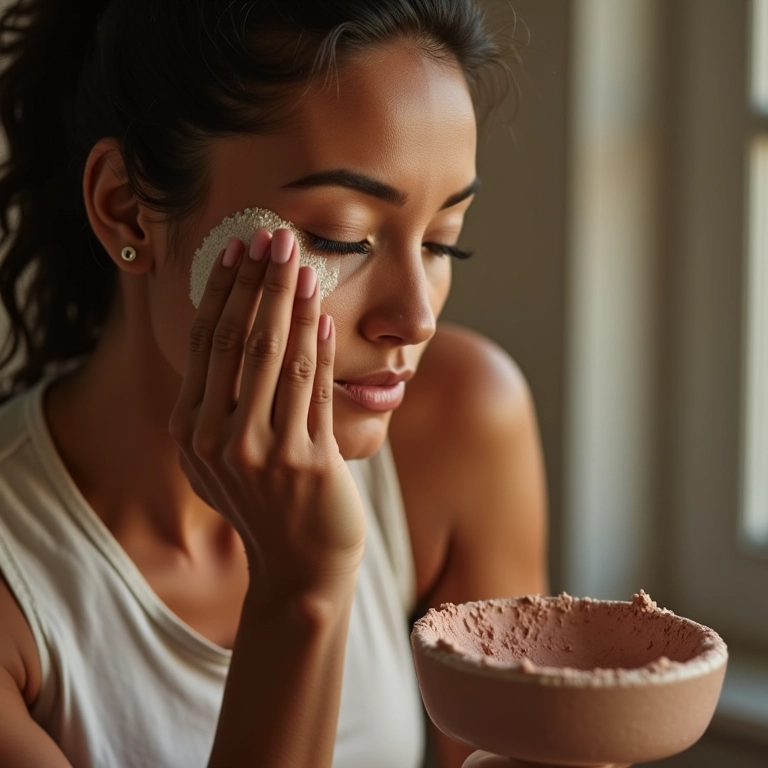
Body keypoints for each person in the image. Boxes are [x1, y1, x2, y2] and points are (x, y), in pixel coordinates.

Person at [0, 1, 548, 766]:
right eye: (340, 237)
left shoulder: (458, 429)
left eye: (441, 244)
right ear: (126, 210)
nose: (414, 317)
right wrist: (302, 590)